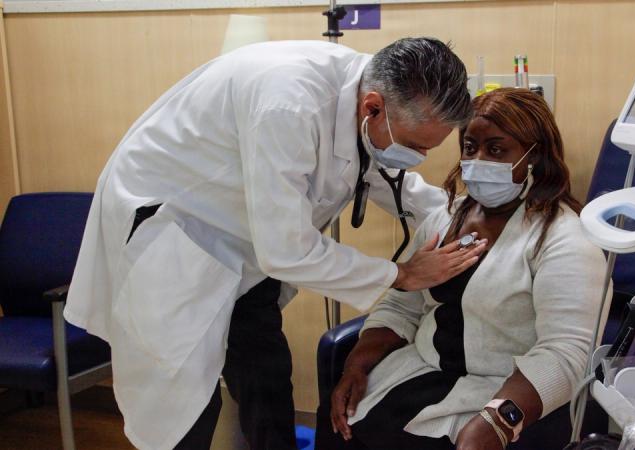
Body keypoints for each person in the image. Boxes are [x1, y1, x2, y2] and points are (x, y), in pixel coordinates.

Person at [64, 37, 487, 450]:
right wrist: (402, 274)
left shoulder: (366, 97)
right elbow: (288, 250)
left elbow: (378, 171)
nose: (417, 158)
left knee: (266, 374)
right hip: (176, 242)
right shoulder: (288, 103)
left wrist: (469, 213)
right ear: (372, 107)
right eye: (413, 147)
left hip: (243, 246)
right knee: (185, 404)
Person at [326, 88, 607, 450]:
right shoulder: (445, 217)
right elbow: (402, 305)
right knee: (342, 424)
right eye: (470, 146)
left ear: (534, 156)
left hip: (498, 388)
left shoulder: (564, 239)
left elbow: (566, 351)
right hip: (419, 371)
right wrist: (357, 366)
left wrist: (496, 422)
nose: (477, 160)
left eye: (496, 149)